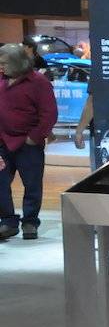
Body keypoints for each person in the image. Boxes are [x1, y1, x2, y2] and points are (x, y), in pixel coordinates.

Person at [0, 42, 56, 241]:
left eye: (5, 63)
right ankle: (7, 221)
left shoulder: (38, 82)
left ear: (17, 62)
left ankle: (30, 221)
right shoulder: (0, 80)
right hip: (2, 142)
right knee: (0, 182)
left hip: (28, 143)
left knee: (32, 184)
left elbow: (49, 113)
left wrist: (35, 137)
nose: (1, 67)